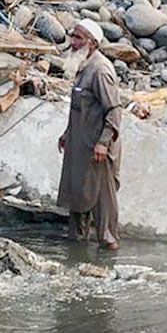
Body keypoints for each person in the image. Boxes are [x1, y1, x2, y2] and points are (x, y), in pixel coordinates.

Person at [57, 20, 122, 250]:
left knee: (102, 197)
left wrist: (103, 143)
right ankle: (76, 247)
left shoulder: (100, 70)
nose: (73, 42)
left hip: (97, 147)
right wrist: (67, 133)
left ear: (92, 43)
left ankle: (108, 243)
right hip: (79, 144)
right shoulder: (82, 65)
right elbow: (78, 107)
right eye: (73, 37)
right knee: (78, 192)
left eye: (78, 38)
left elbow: (114, 110)